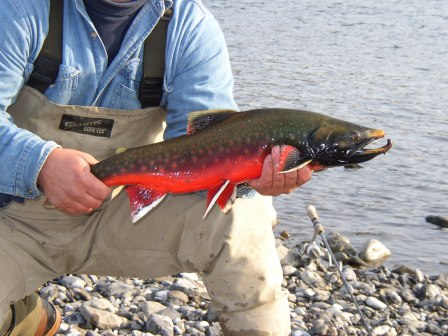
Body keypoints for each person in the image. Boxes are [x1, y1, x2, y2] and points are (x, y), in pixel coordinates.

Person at [0, 0, 312, 335]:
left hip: (127, 211)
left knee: (243, 214)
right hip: (17, 216)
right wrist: (41, 164)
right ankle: (25, 320)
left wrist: (251, 174)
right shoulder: (19, 10)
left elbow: (207, 149)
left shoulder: (189, 26)